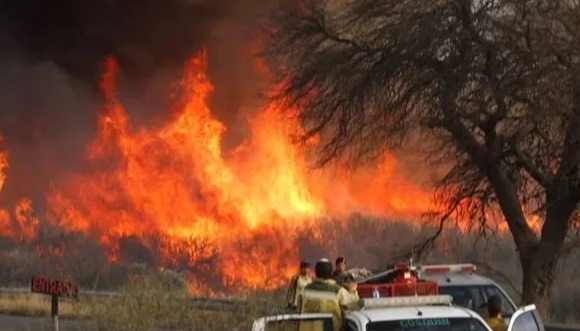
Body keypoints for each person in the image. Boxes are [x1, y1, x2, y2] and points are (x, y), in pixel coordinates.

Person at [299, 258, 346, 331]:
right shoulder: (337, 290)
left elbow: (299, 310)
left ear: (316, 272)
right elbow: (353, 303)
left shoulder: (306, 290)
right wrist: (353, 290)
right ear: (330, 272)